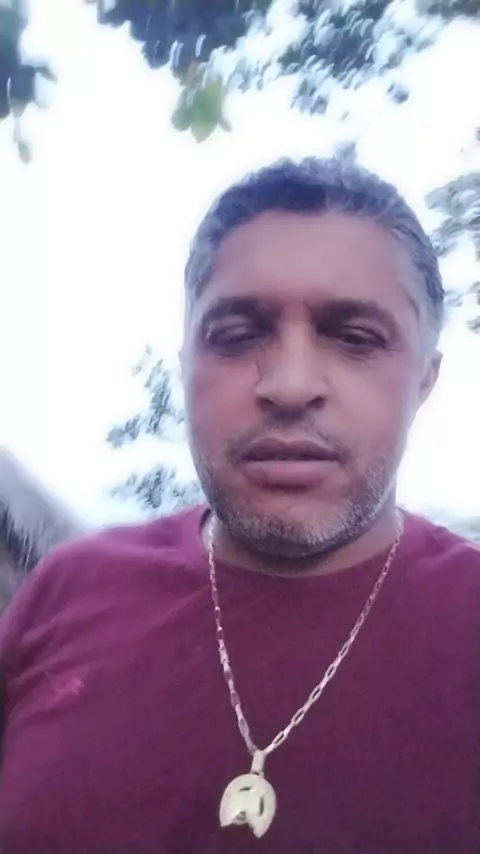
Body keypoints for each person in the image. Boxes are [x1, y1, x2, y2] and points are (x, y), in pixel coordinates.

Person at [0, 158, 478, 854]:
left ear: (425, 378)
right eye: (237, 334)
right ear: (186, 365)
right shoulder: (70, 589)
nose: (289, 384)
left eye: (354, 337)